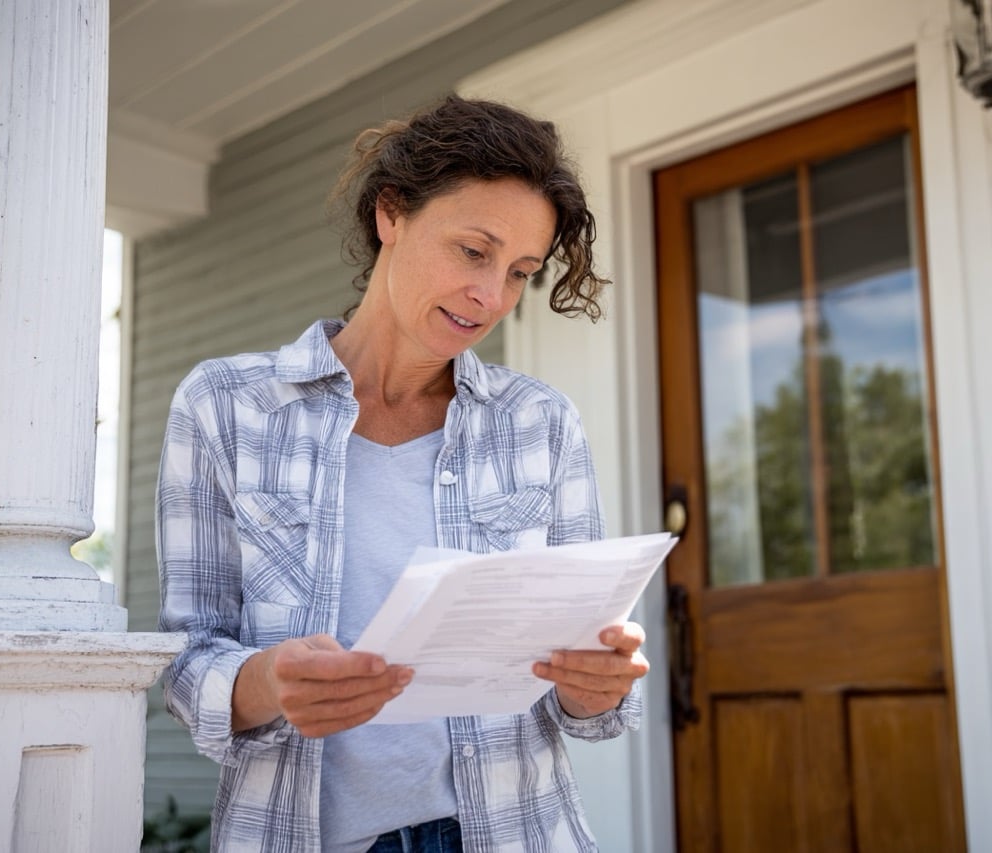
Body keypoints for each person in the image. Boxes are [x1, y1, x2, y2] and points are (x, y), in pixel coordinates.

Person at [157, 95, 649, 853]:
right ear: (392, 213)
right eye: (473, 251)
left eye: (520, 272)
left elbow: (583, 697)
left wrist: (597, 686)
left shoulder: (541, 422)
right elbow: (188, 661)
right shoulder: (225, 405)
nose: (492, 296)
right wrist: (267, 680)